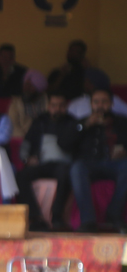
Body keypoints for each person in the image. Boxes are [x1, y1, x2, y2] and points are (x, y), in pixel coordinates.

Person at [15, 92, 79, 232]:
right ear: (48, 106)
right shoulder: (39, 121)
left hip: (64, 165)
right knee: (21, 175)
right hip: (42, 163)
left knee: (65, 174)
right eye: (54, 105)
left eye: (61, 106)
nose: (57, 109)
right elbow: (26, 144)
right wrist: (27, 159)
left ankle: (56, 217)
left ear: (66, 107)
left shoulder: (73, 123)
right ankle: (34, 217)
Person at [68, 87, 127, 233]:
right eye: (96, 102)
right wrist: (86, 125)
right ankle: (88, 221)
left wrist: (124, 151)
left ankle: (114, 215)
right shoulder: (81, 122)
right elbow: (64, 142)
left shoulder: (122, 122)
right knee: (77, 167)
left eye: (104, 102)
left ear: (111, 103)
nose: (100, 106)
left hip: (115, 165)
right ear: (91, 104)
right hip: (89, 165)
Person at [8, 68, 48, 139]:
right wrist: (27, 140)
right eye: (25, 84)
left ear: (39, 88)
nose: (26, 88)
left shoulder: (48, 101)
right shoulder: (15, 103)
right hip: (24, 139)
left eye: (31, 86)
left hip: (45, 138)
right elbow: (13, 125)